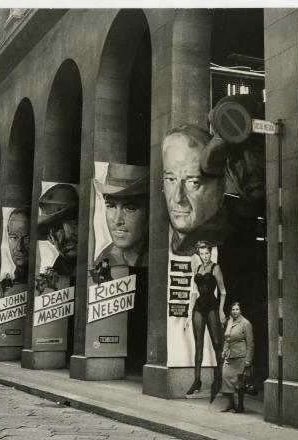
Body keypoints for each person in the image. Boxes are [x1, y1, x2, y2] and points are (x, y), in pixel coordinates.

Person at [162, 125, 231, 256]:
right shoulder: (172, 238)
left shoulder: (229, 244)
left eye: (193, 183)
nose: (177, 197)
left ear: (220, 187)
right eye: (171, 179)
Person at [184, 241, 226, 397]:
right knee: (198, 344)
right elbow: (194, 292)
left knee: (216, 343)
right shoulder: (198, 268)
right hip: (199, 307)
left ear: (210, 253)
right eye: (202, 254)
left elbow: (223, 292)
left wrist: (221, 311)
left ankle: (220, 380)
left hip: (212, 307)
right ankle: (197, 381)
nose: (205, 256)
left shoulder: (216, 268)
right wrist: (189, 314)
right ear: (199, 255)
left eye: (207, 253)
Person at [94, 163, 149, 267]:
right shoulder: (103, 260)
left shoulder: (161, 258)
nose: (117, 220)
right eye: (111, 206)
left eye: (130, 208)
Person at [37, 183, 79, 284]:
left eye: (74, 222)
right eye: (58, 228)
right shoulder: (52, 279)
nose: (68, 235)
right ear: (50, 237)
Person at [219, 302, 254, 413]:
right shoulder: (229, 322)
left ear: (240, 311)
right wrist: (224, 351)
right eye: (233, 309)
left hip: (240, 356)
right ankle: (230, 404)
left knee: (239, 382)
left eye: (237, 309)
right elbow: (227, 338)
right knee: (226, 378)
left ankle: (240, 405)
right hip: (229, 356)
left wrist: (248, 359)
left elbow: (251, 343)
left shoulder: (245, 323)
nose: (235, 311)